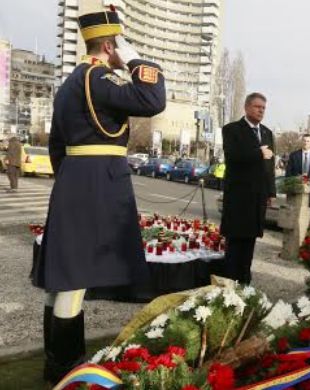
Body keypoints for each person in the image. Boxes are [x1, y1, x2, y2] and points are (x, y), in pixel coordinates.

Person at [31, 6, 166, 384]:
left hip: (74, 178)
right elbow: (153, 98)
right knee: (73, 279)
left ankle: (55, 364)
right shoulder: (98, 78)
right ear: (109, 45)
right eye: (118, 45)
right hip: (97, 183)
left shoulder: (71, 83)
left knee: (60, 277)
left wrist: (73, 181)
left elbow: (58, 145)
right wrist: (135, 57)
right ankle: (69, 370)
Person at [221, 92, 276, 284]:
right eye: (257, 107)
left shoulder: (267, 133)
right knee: (235, 244)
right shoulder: (231, 129)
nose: (261, 111)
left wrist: (271, 192)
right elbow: (233, 157)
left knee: (250, 243)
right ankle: (228, 284)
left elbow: (270, 165)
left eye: (263, 108)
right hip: (238, 197)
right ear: (246, 107)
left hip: (257, 198)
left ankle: (244, 281)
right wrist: (258, 152)